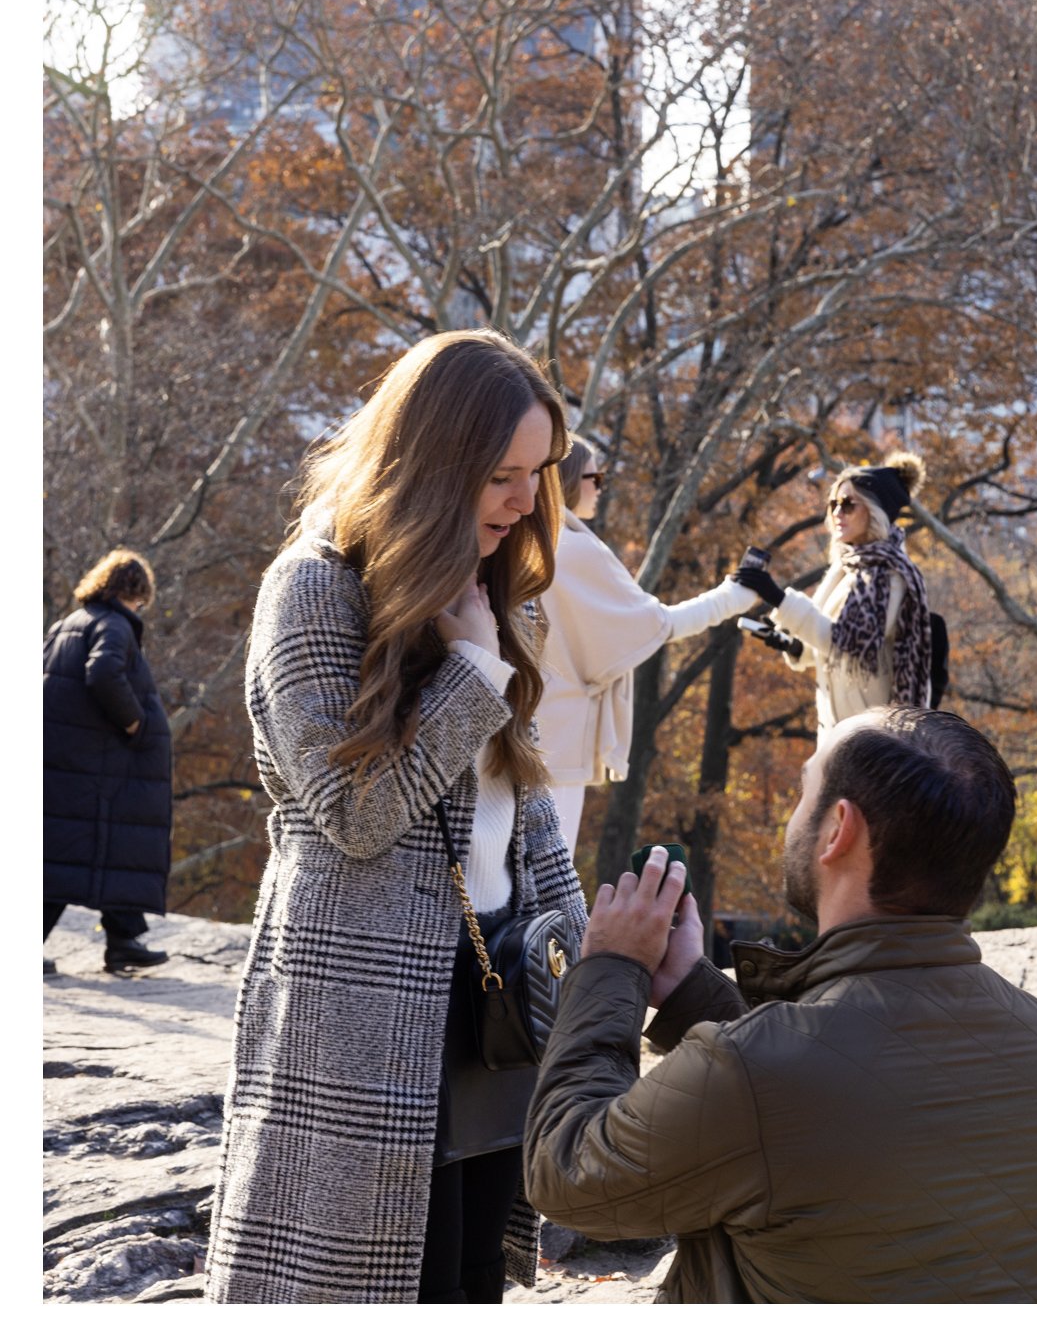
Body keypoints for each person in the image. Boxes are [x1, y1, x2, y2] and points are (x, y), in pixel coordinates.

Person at [205, 330, 590, 1303]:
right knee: (356, 1286)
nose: (523, 500)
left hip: (493, 1003)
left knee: (465, 1282)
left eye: (537, 474)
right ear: (431, 465)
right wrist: (467, 670)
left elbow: (522, 804)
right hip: (359, 1015)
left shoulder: (498, 589)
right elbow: (355, 814)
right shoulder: (312, 588)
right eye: (501, 475)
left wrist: (593, 968)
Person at [523, 705, 1037, 1302]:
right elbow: (833, 1106)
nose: (791, 814)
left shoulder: (754, 1072)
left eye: (804, 791)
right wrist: (692, 995)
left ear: (838, 831)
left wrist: (611, 968)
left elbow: (564, 1174)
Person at [537, 434, 758, 852]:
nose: (601, 488)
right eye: (594, 478)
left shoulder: (525, 542)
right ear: (567, 480)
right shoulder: (574, 550)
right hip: (558, 745)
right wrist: (734, 598)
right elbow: (657, 625)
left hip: (519, 734)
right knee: (549, 883)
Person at [734, 452, 935, 736]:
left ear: (875, 511)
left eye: (849, 505)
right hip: (836, 727)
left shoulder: (890, 574)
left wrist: (779, 598)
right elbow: (826, 645)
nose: (838, 513)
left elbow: (849, 645)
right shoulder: (845, 567)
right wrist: (791, 645)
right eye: (834, 504)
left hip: (876, 732)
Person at [43, 547, 174, 975]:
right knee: (64, 859)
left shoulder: (68, 624)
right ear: (134, 591)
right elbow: (103, 674)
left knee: (102, 847)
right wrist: (135, 722)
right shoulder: (113, 625)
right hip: (95, 764)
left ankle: (123, 938)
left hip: (68, 761)